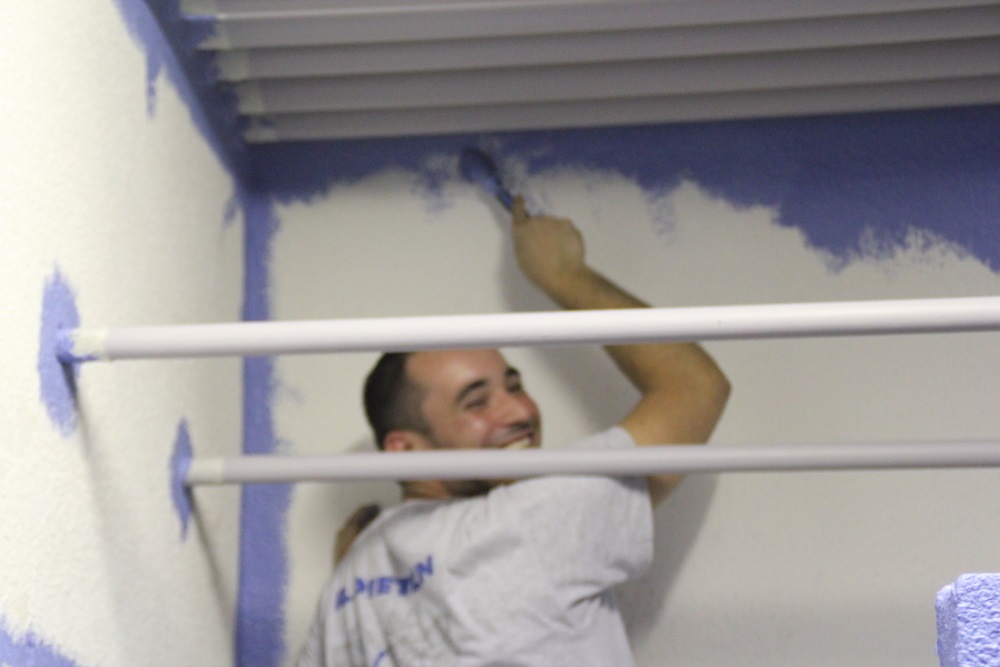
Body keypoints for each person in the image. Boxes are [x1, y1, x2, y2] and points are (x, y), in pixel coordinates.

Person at [297, 198, 730, 666]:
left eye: (515, 385)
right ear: (404, 450)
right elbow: (695, 387)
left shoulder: (349, 588)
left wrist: (354, 558)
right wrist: (563, 274)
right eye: (476, 402)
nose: (521, 411)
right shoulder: (531, 519)